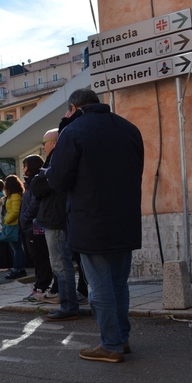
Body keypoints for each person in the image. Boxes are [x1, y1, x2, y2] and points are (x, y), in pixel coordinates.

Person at [45, 88, 144, 363]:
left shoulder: (74, 132)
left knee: (99, 286)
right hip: (125, 219)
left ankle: (110, 344)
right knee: (118, 284)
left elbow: (60, 180)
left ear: (74, 108)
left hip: (91, 220)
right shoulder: (129, 128)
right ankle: (121, 339)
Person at [32, 127, 83, 321]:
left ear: (53, 143)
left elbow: (37, 186)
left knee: (61, 264)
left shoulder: (58, 160)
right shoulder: (55, 160)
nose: (43, 147)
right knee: (61, 263)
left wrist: (39, 180)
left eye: (44, 143)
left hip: (57, 219)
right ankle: (69, 304)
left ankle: (69, 306)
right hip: (56, 217)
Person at [19, 155, 55, 301]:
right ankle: (40, 285)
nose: (23, 169)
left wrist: (25, 218)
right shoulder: (29, 184)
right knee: (37, 259)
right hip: (30, 228)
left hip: (36, 228)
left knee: (41, 260)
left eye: (25, 165)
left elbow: (35, 204)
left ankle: (42, 287)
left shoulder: (37, 183)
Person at [3, 175, 27, 279]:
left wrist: (6, 220)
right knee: (16, 248)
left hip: (13, 224)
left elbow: (15, 212)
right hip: (13, 224)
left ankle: (18, 268)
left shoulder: (15, 196)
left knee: (17, 248)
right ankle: (19, 268)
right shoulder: (14, 195)